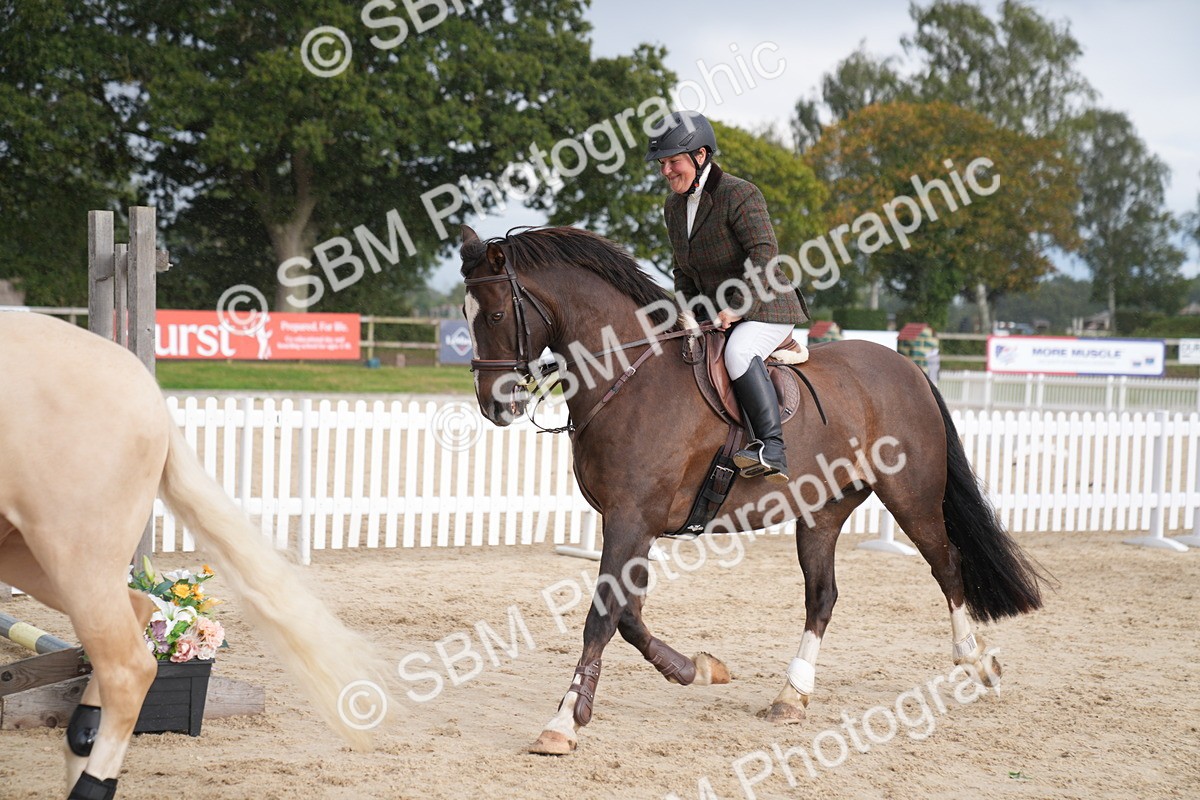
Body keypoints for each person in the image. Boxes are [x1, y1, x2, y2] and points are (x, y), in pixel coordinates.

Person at [646, 110, 810, 483]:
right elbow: (682, 268)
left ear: (700, 155)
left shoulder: (739, 193)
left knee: (737, 353)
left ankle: (772, 447)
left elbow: (764, 254)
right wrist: (688, 312)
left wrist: (737, 307)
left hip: (764, 305)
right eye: (662, 164)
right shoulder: (673, 206)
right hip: (715, 310)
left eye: (673, 161)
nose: (666, 171)